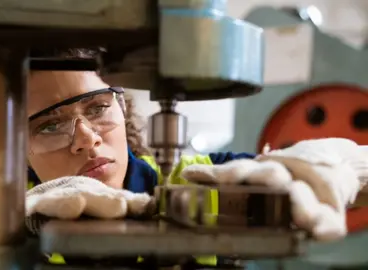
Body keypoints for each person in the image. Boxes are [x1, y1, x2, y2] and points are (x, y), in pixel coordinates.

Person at [25, 49, 368, 267]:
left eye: (98, 107)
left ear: (122, 105)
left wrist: (340, 163)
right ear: (13, 146)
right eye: (49, 126)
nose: (87, 138)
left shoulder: (201, 181)